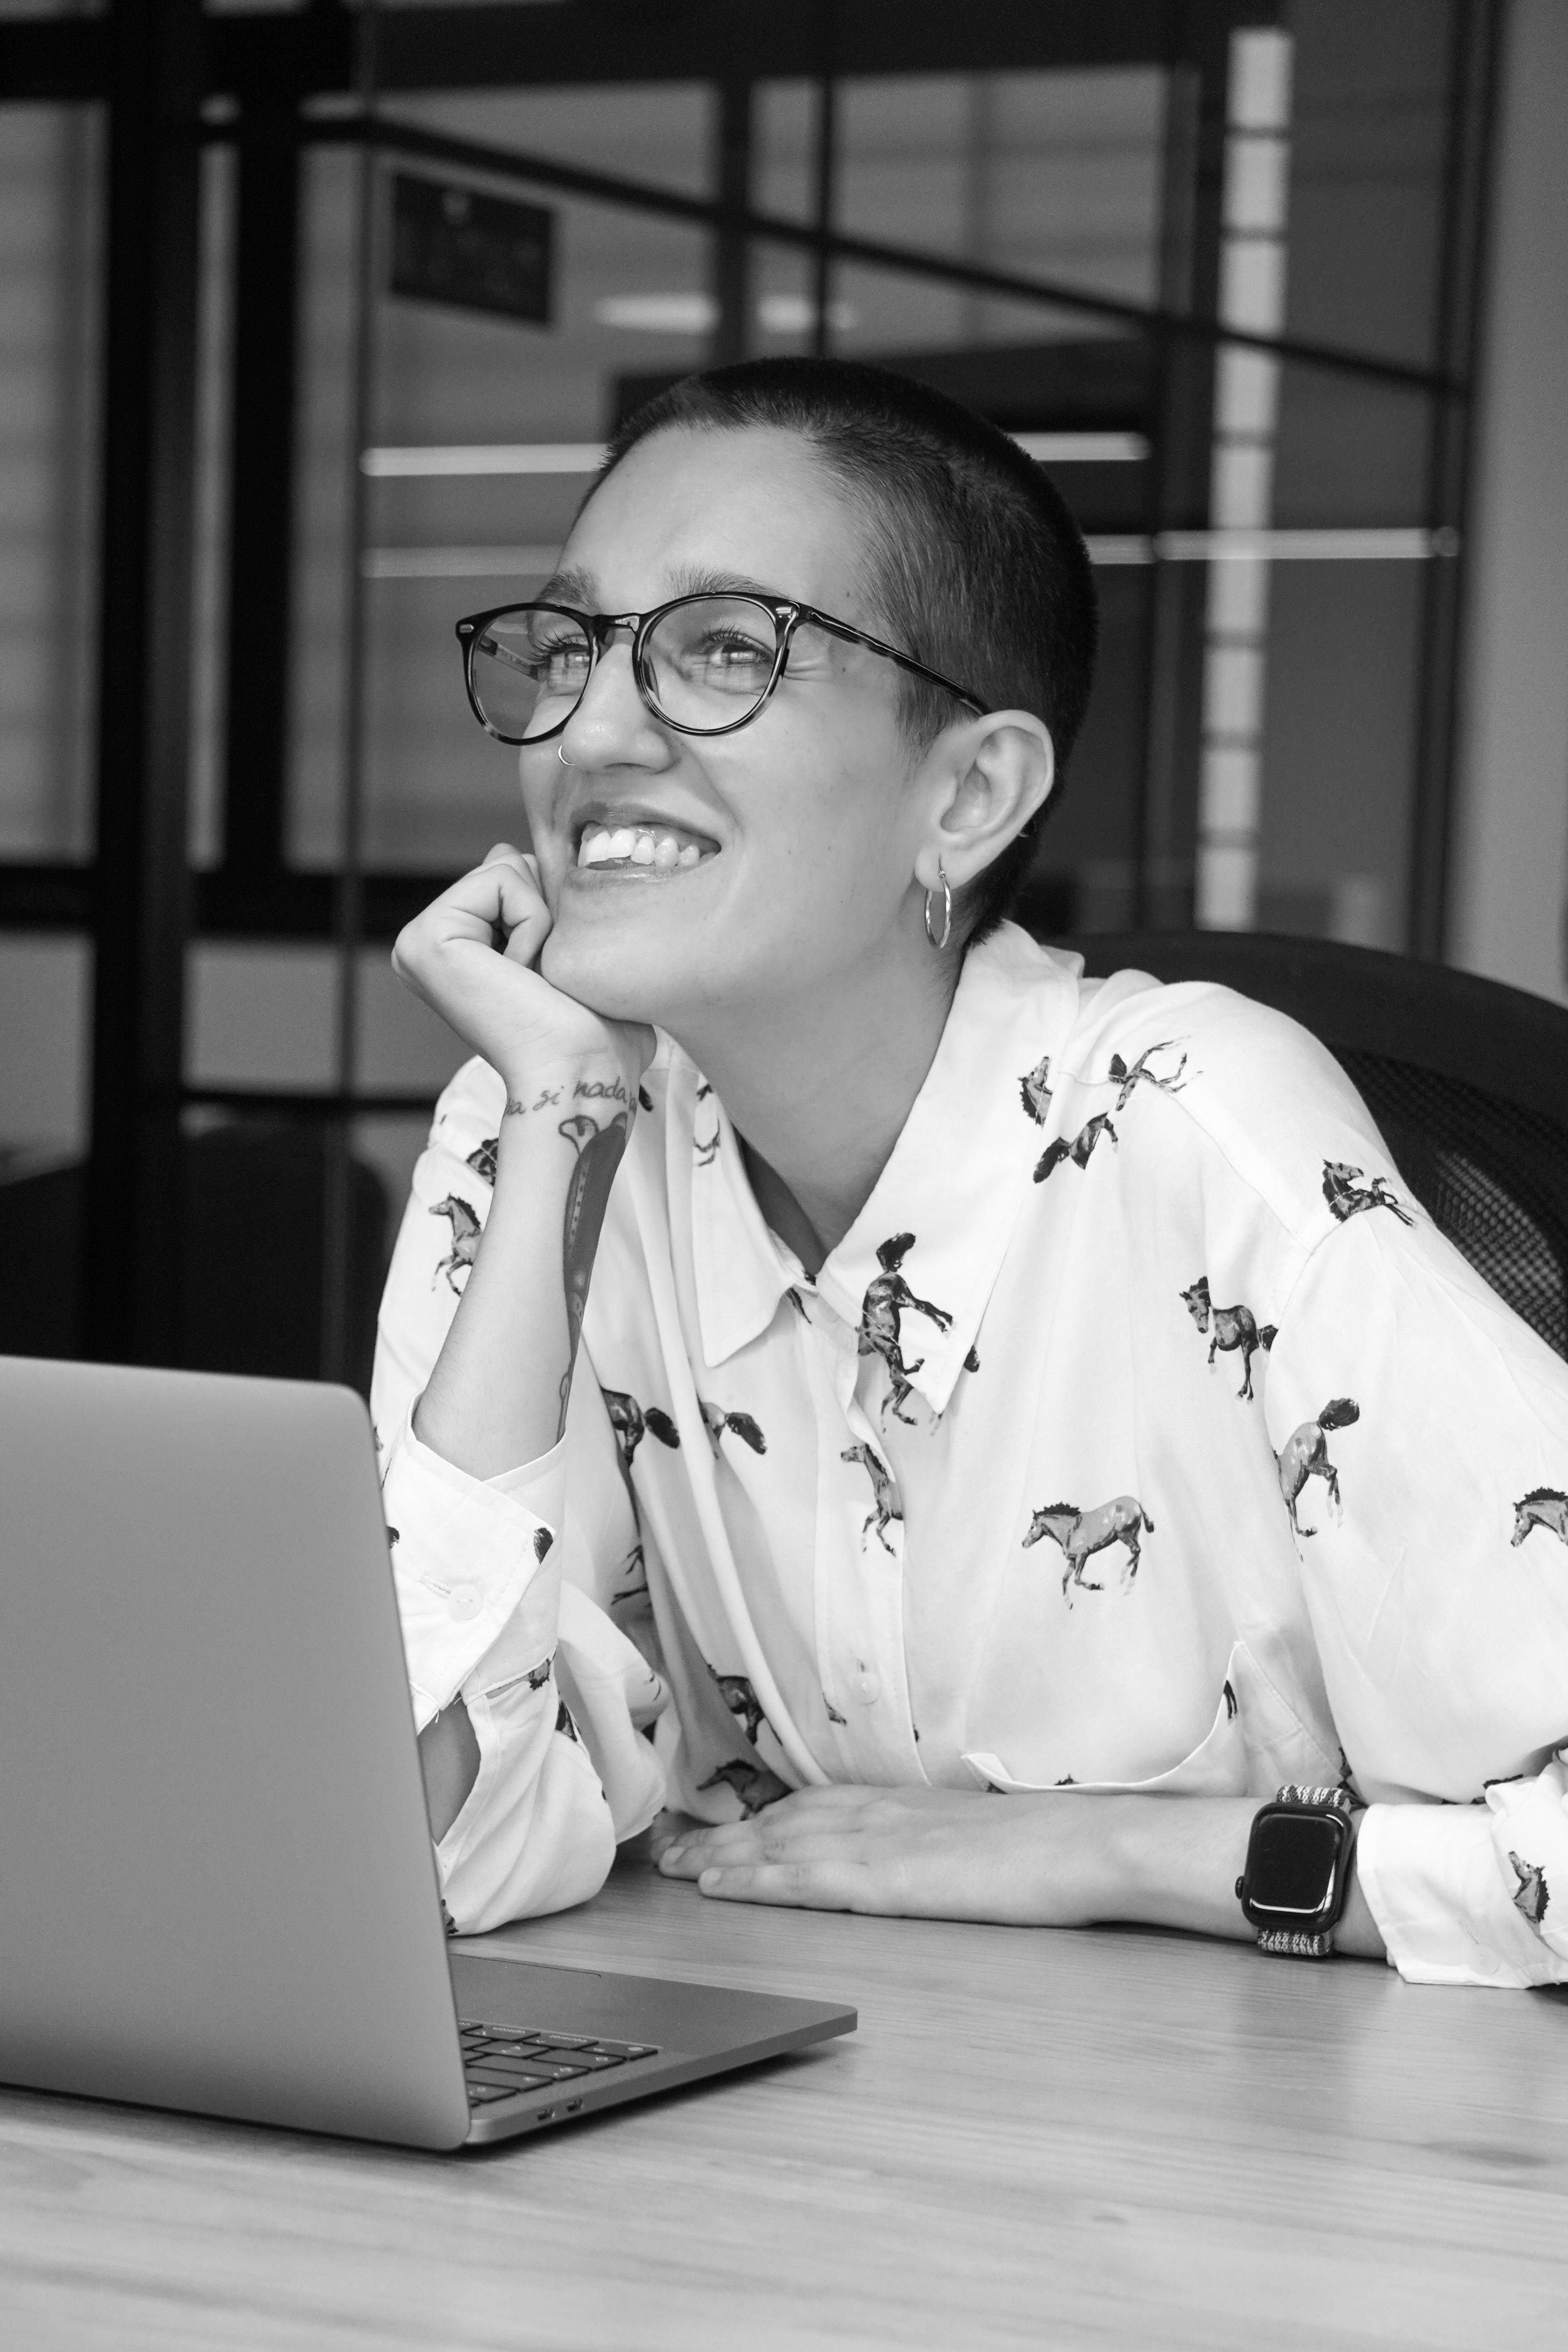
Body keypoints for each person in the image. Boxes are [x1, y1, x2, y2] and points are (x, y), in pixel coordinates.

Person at [379, 356, 1568, 1986]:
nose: (588, 731)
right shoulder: (542, 1128)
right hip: (834, 2146)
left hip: (1307, 2172)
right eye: (572, 647)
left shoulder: (1199, 1131)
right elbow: (439, 1850)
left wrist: (1122, 1850)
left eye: (722, 649)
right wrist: (556, 1117)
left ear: (970, 793)